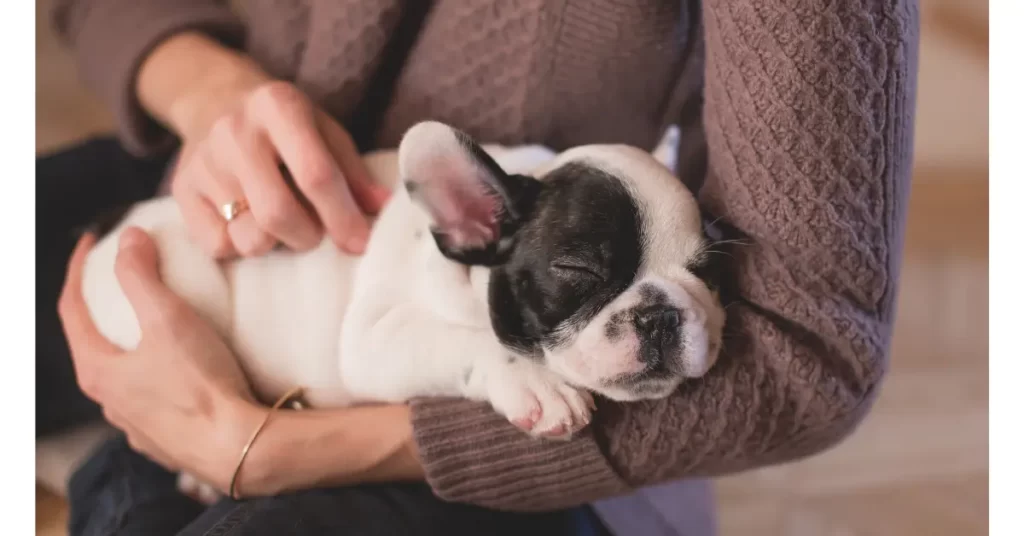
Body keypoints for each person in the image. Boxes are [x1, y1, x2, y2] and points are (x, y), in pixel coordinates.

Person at [38, 1, 919, 535]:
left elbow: (812, 349)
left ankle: (116, 468)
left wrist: (259, 448)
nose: (660, 311)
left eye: (700, 273)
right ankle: (120, 460)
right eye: (587, 279)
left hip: (452, 432)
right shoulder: (487, 217)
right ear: (467, 225)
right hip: (215, 203)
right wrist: (206, 89)